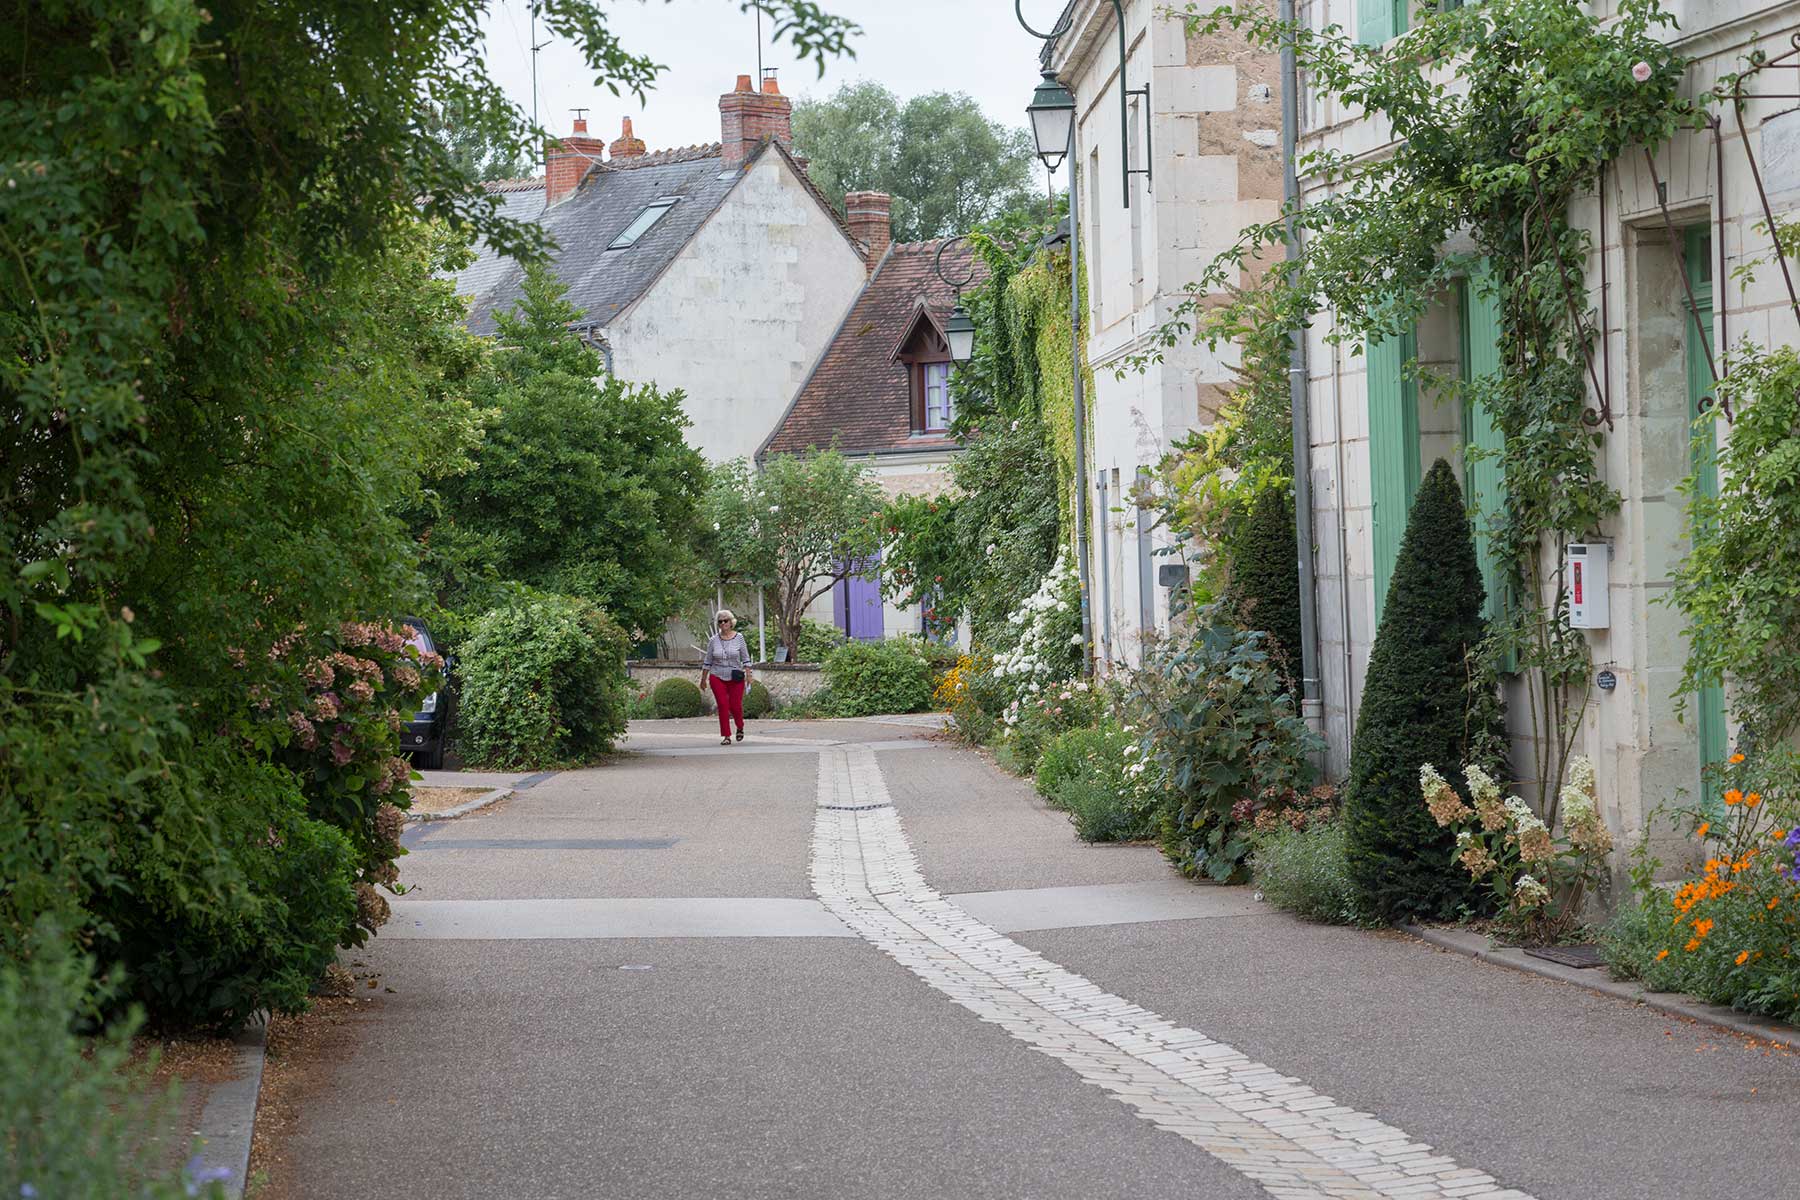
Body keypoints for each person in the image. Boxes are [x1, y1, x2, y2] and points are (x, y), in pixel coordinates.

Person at [699, 609, 752, 746]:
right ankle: (726, 735)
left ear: (731, 622)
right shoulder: (713, 641)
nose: (723, 623)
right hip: (717, 675)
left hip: (735, 676)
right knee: (723, 705)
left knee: (735, 706)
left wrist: (748, 675)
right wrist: (703, 679)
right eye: (720, 621)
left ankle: (739, 726)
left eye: (725, 620)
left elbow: (745, 658)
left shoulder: (739, 637)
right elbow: (707, 661)